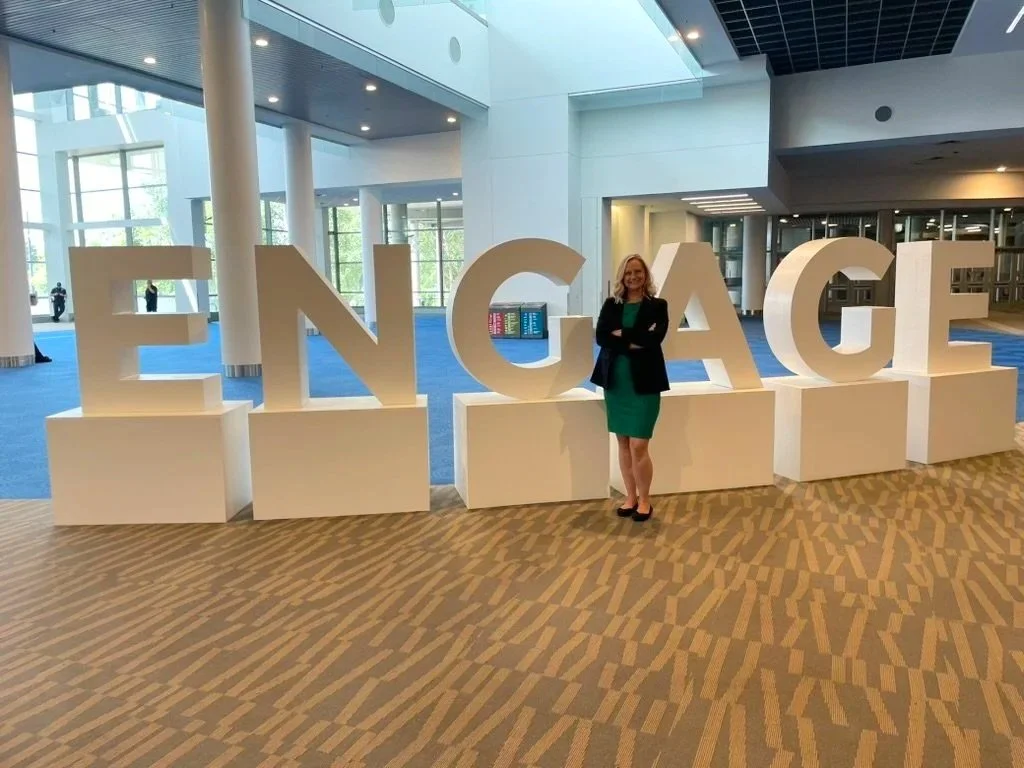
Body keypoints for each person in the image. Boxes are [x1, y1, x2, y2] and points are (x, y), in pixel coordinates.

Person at [591, 254, 669, 523]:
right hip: (616, 382)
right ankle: (631, 497)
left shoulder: (658, 306)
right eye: (628, 273)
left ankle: (646, 499)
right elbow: (601, 336)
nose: (633, 277)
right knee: (623, 442)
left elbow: (653, 340)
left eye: (638, 272)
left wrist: (621, 334)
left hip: (645, 382)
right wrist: (634, 338)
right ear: (622, 277)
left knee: (639, 444)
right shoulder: (612, 305)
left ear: (645, 275)